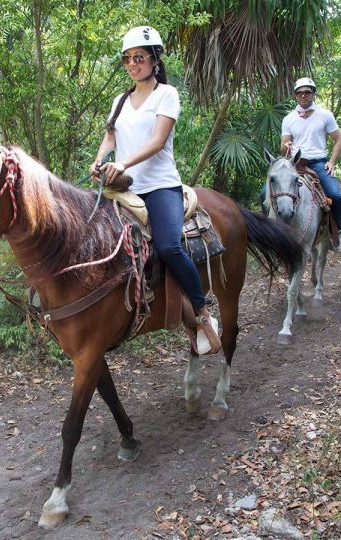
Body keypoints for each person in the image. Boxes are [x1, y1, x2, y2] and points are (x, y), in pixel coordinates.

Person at [90, 26, 221, 355]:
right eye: (127, 59)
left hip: (160, 186)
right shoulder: (120, 99)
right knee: (92, 237)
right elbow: (110, 136)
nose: (133, 64)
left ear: (154, 60)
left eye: (139, 57)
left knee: (168, 246)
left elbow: (158, 141)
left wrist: (123, 164)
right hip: (123, 190)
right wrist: (100, 160)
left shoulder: (167, 94)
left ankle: (202, 310)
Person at [279, 77, 341, 251]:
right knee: (265, 193)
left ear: (313, 94)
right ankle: (273, 234)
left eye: (307, 92)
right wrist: (285, 148)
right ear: (295, 96)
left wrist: (332, 162)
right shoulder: (289, 118)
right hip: (294, 163)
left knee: (335, 195)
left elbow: (338, 140)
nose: (303, 95)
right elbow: (283, 147)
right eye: (299, 93)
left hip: (318, 163)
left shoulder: (325, 115)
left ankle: (337, 232)